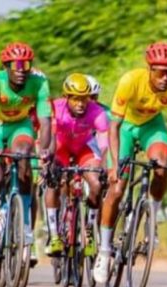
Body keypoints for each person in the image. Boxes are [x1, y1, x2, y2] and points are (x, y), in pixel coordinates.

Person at [94, 42, 167, 283]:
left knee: (161, 165)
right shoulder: (130, 81)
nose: (165, 77)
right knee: (116, 189)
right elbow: (113, 127)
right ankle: (104, 251)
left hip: (152, 127)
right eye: (159, 71)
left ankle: (151, 219)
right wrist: (115, 165)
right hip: (124, 127)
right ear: (149, 69)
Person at [0, 42, 52, 273]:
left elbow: (45, 122)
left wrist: (45, 149)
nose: (21, 69)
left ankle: (25, 226)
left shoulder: (39, 84)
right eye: (16, 64)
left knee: (25, 157)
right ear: (6, 66)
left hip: (20, 127)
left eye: (26, 64)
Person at [43, 73, 108, 256]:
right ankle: (54, 235)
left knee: (96, 183)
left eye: (84, 99)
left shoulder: (97, 112)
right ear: (67, 97)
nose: (81, 104)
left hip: (83, 148)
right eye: (76, 99)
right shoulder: (56, 108)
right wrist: (51, 161)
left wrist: (104, 165)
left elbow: (104, 146)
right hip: (61, 146)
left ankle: (89, 230)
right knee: (53, 181)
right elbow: (52, 138)